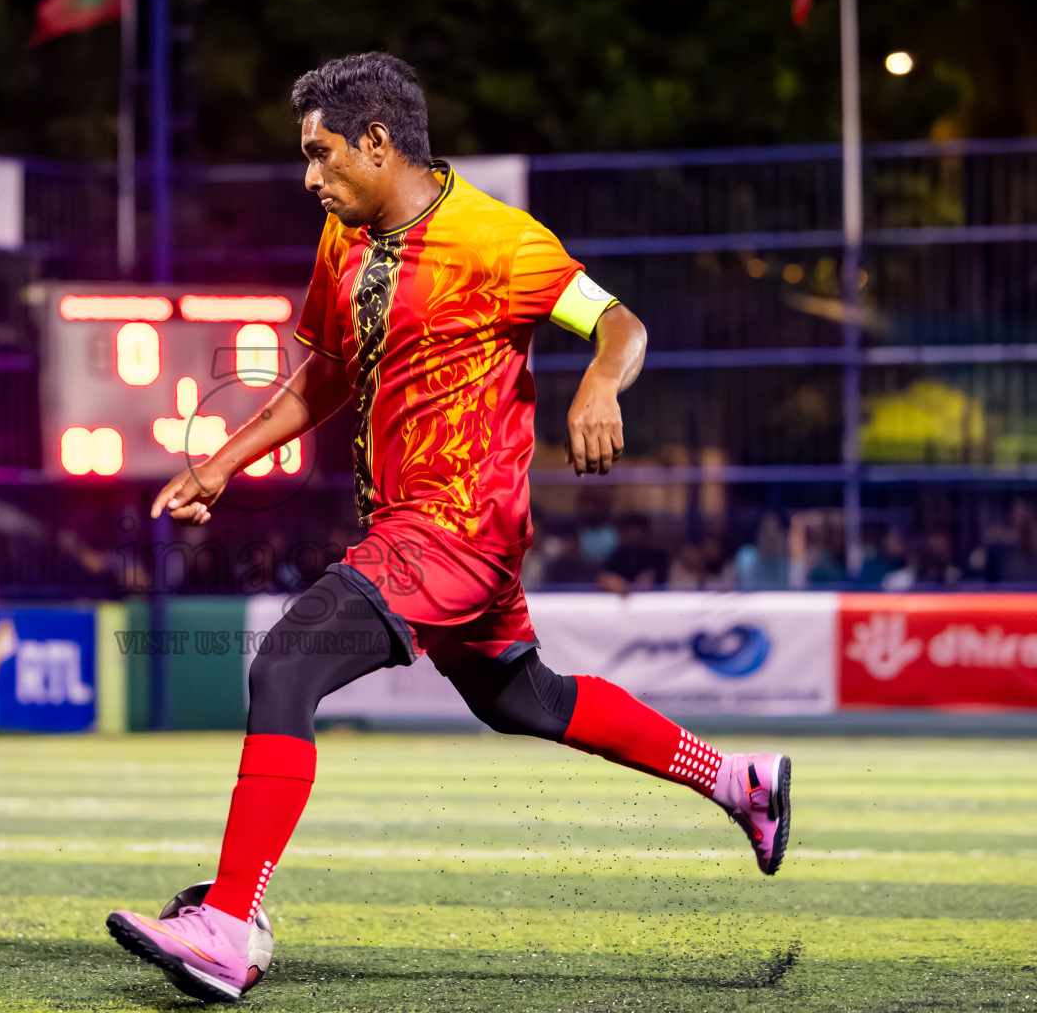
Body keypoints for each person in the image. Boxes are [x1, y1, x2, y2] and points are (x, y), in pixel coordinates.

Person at [105, 52, 792, 1002]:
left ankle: (229, 920)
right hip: (421, 530)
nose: (310, 177)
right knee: (524, 699)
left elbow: (620, 324)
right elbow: (329, 375)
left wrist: (598, 381)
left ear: (378, 143)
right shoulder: (344, 239)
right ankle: (738, 782)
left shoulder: (500, 241)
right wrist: (223, 460)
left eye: (321, 153)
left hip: (455, 530)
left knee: (286, 663)